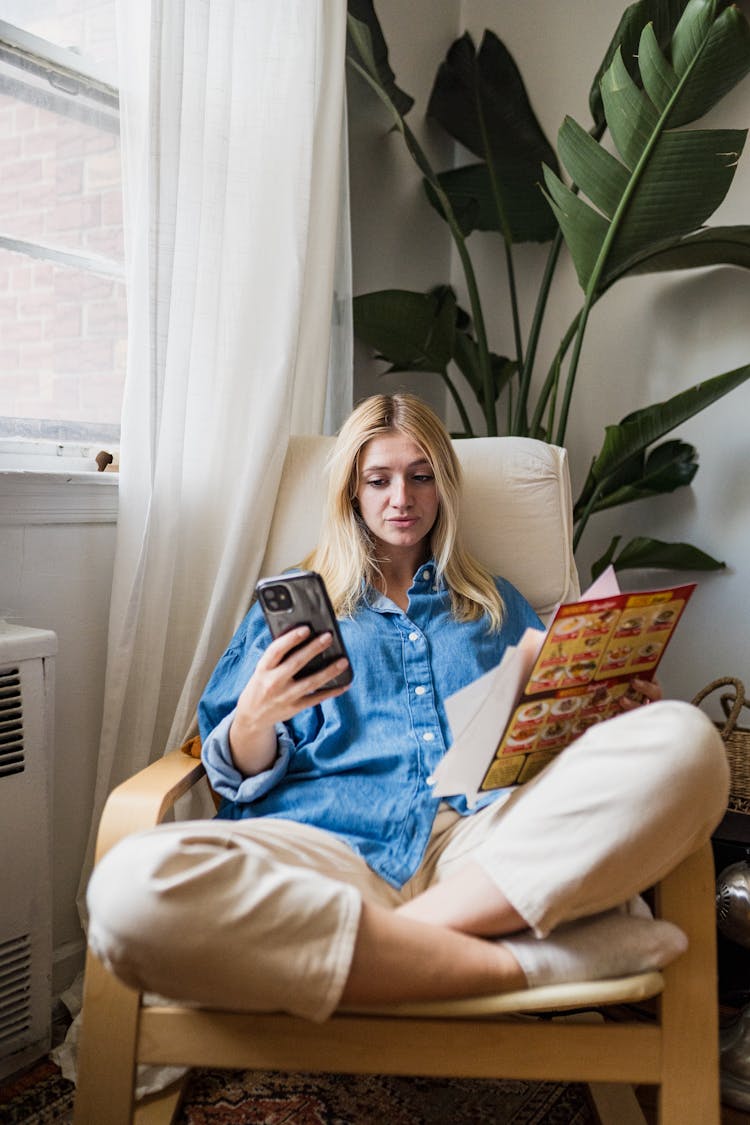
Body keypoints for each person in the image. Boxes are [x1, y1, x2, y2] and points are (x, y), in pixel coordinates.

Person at [87, 393, 729, 1022]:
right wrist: (255, 715)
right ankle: (521, 963)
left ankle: (399, 938)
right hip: (325, 845)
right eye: (380, 479)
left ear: (444, 487)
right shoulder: (294, 605)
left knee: (684, 739)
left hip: (482, 847)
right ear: (352, 494)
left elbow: (542, 733)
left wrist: (602, 716)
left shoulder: (495, 603)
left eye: (422, 477)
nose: (403, 498)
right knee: (129, 893)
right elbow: (230, 778)